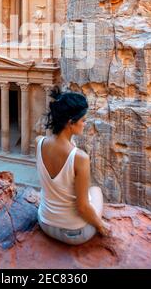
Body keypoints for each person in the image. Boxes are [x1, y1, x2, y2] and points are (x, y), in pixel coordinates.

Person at [35, 87, 111, 245]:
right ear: (70, 123)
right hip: (75, 234)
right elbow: (82, 208)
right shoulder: (80, 158)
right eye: (83, 120)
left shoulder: (39, 142)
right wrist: (101, 226)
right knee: (95, 191)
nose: (85, 124)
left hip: (45, 223)